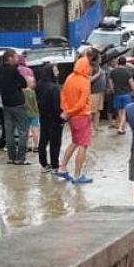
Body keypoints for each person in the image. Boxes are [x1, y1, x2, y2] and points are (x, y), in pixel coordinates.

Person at [0, 50, 30, 165]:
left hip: (6, 103)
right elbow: (24, 83)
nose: (17, 59)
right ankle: (20, 158)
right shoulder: (13, 70)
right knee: (23, 130)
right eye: (15, 57)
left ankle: (11, 157)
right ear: (9, 58)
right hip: (18, 103)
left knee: (9, 130)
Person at [59, 55, 94, 183]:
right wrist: (69, 112)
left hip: (72, 118)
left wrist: (66, 110)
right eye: (89, 65)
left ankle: (62, 168)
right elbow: (81, 103)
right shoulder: (85, 82)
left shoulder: (70, 78)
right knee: (83, 145)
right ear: (85, 67)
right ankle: (77, 175)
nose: (91, 68)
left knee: (74, 142)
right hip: (81, 116)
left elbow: (62, 95)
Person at [35, 63, 63, 171]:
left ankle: (43, 164)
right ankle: (55, 164)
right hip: (54, 118)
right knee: (55, 142)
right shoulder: (54, 88)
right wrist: (61, 119)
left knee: (43, 140)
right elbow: (57, 106)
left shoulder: (39, 85)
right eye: (56, 71)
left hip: (43, 116)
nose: (58, 73)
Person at [110, 56, 134, 135]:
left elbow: (111, 83)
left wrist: (113, 90)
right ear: (125, 63)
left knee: (119, 112)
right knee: (125, 112)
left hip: (117, 94)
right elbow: (132, 83)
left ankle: (122, 127)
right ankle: (121, 128)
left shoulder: (113, 72)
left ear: (118, 63)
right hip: (126, 95)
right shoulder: (127, 72)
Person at [20, 63, 40, 152]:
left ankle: (26, 145)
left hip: (25, 113)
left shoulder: (22, 92)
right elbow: (35, 104)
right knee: (35, 130)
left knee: (26, 131)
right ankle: (35, 146)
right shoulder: (32, 93)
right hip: (34, 114)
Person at [88, 49, 107, 132]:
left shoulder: (98, 66)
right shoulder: (92, 67)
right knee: (92, 111)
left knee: (98, 110)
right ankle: (89, 127)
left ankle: (96, 126)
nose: (101, 58)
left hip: (100, 91)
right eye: (99, 57)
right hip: (94, 92)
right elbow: (88, 80)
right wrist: (98, 75)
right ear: (96, 58)